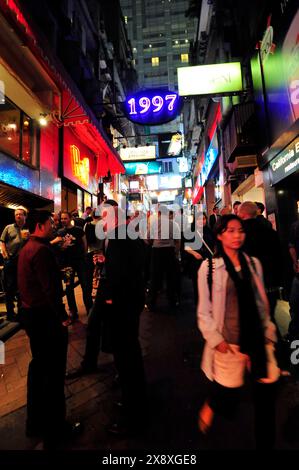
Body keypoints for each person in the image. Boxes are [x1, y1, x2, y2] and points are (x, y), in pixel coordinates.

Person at [197, 214, 279, 449]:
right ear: (220, 235)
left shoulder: (254, 263)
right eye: (230, 231)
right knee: (228, 392)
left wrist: (269, 330)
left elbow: (261, 302)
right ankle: (213, 403)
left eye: (240, 230)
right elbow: (204, 310)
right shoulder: (209, 268)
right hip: (228, 342)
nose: (236, 235)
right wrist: (215, 339)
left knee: (265, 398)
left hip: (259, 339)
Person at [17, 210, 82, 448]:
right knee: (53, 375)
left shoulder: (26, 249)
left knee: (38, 369)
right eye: (50, 223)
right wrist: (63, 317)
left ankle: (34, 422)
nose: (54, 225)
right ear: (40, 225)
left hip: (32, 316)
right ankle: (56, 429)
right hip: (46, 319)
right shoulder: (41, 251)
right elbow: (51, 290)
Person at [58, 211, 93, 320]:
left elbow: (85, 243)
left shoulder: (78, 230)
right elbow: (59, 247)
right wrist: (62, 247)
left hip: (80, 262)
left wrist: (84, 254)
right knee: (68, 288)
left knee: (85, 286)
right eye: (62, 219)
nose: (63, 220)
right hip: (67, 264)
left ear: (70, 218)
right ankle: (73, 312)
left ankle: (90, 310)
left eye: (65, 218)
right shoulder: (60, 232)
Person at [0, 208, 29, 321]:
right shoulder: (9, 228)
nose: (18, 216)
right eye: (16, 214)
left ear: (25, 216)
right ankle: (11, 313)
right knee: (10, 288)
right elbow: (2, 241)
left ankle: (22, 311)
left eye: (20, 214)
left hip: (24, 261)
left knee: (22, 287)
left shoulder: (28, 228)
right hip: (11, 261)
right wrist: (5, 254)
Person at [185, 212, 214, 304]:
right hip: (196, 262)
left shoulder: (210, 231)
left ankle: (210, 303)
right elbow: (186, 247)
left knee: (210, 283)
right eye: (199, 219)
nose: (202, 221)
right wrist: (194, 253)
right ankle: (199, 304)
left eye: (204, 219)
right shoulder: (190, 231)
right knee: (197, 284)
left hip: (209, 260)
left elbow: (214, 245)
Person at [287, 220, 299, 341]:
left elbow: (291, 246)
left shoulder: (295, 225)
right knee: (295, 304)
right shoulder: (295, 226)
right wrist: (295, 262)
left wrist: (295, 262)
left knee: (295, 304)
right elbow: (291, 246)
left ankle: (294, 335)